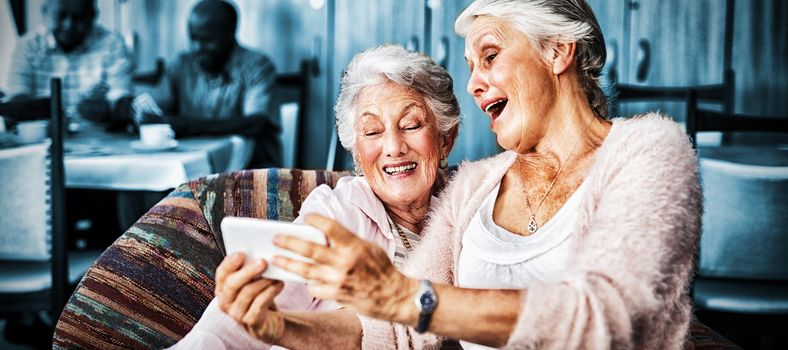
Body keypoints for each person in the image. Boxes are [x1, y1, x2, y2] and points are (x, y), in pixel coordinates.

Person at [229, 0, 702, 349]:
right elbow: (391, 329)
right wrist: (283, 328)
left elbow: (612, 317)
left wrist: (404, 296)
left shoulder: (647, 148)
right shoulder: (473, 186)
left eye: (490, 56)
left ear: (558, 50)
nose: (474, 82)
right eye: (471, 66)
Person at [170, 45, 460, 349]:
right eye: (372, 132)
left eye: (411, 125)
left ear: (445, 139)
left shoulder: (466, 209)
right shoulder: (338, 213)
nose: (393, 147)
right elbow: (227, 329)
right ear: (358, 157)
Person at [154, 0, 281, 168]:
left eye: (207, 40)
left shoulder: (257, 66)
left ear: (230, 33)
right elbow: (161, 111)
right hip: (194, 166)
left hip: (251, 170)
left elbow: (256, 123)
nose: (197, 47)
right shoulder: (181, 65)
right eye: (193, 38)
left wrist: (190, 125)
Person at [5, 0, 133, 131]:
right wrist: (24, 109)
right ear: (45, 13)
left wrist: (108, 111)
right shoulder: (28, 45)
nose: (69, 24)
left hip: (100, 141)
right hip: (41, 139)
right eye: (60, 15)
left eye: (79, 17)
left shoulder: (112, 44)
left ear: (93, 15)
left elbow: (121, 103)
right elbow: (17, 96)